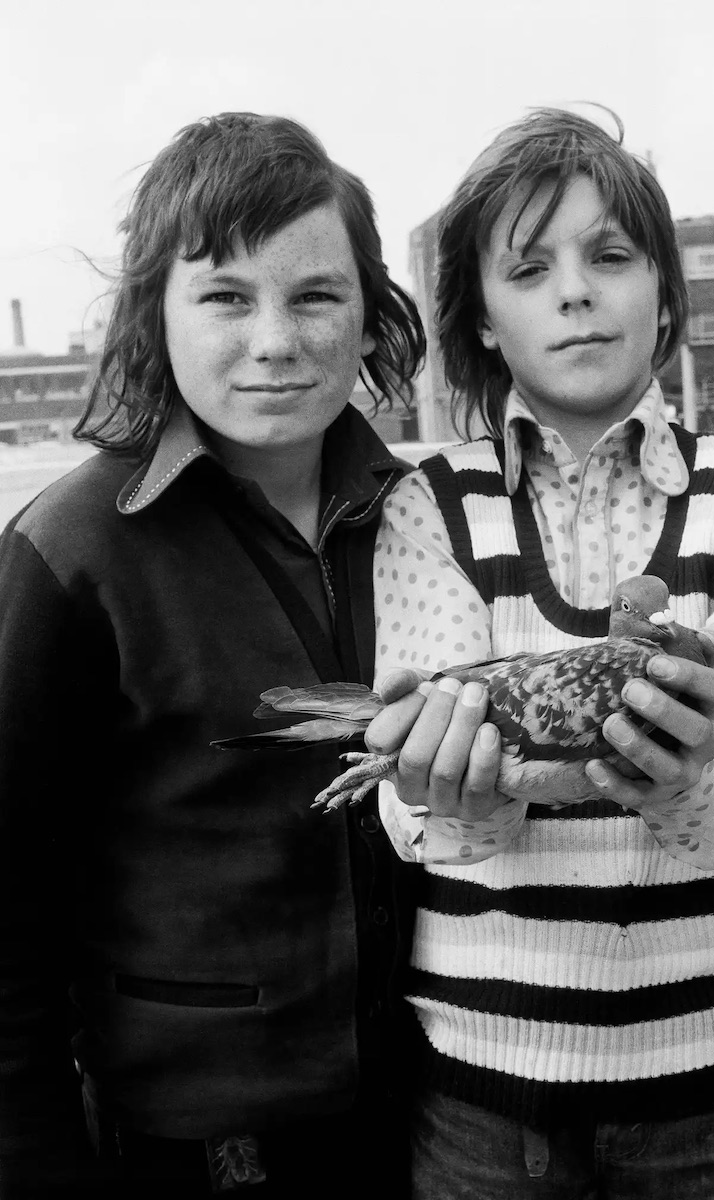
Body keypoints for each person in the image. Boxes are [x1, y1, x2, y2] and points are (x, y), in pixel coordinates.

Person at [363, 108, 714, 1199]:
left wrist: (693, 767)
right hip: (484, 1093)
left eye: (610, 257)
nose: (576, 291)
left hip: (711, 1089)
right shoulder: (427, 508)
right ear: (480, 317)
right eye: (530, 268)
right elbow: (420, 821)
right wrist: (447, 788)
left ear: (665, 295)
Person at [0, 112, 426, 1197]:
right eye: (226, 297)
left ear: (372, 315)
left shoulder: (431, 527)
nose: (275, 340)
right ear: (158, 313)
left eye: (316, 296)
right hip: (198, 1153)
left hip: (428, 1127)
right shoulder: (70, 552)